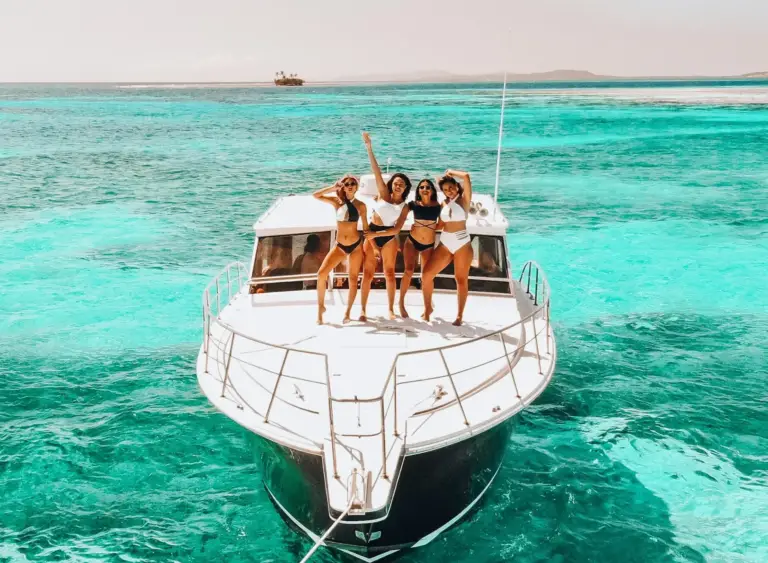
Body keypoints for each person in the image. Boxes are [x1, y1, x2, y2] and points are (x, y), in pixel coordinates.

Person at [367, 178, 441, 318]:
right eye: (421, 187)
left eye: (428, 187)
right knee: (408, 271)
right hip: (412, 241)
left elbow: (443, 224)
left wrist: (430, 227)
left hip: (429, 245)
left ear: (432, 190)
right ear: (418, 190)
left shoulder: (438, 206)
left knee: (427, 277)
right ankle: (401, 303)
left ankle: (427, 308)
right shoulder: (412, 205)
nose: (424, 189)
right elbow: (398, 216)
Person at [360, 132, 411, 321]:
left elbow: (397, 230)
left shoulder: (405, 206)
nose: (398, 186)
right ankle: (363, 310)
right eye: (396, 183)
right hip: (372, 231)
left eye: (402, 184)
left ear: (406, 188)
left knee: (389, 273)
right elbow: (376, 171)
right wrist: (369, 147)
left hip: (388, 237)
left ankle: (390, 309)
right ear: (392, 185)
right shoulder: (383, 194)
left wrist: (376, 236)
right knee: (367, 274)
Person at [313, 176, 369, 324]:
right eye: (346, 184)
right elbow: (316, 195)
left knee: (353, 279)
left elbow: (366, 228)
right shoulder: (336, 202)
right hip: (340, 246)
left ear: (357, 187)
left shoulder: (361, 206)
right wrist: (333, 187)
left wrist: (373, 248)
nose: (350, 186)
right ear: (343, 187)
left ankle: (348, 312)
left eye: (353, 184)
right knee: (321, 274)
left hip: (356, 245)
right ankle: (320, 308)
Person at [421, 170, 474, 326]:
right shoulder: (443, 203)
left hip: (462, 244)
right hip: (445, 243)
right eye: (445, 189)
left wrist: (450, 172)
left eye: (451, 187)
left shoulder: (465, 200)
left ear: (457, 187)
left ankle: (459, 316)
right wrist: (423, 227)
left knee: (460, 279)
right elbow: (441, 224)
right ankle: (428, 308)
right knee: (426, 275)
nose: (448, 191)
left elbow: (466, 176)